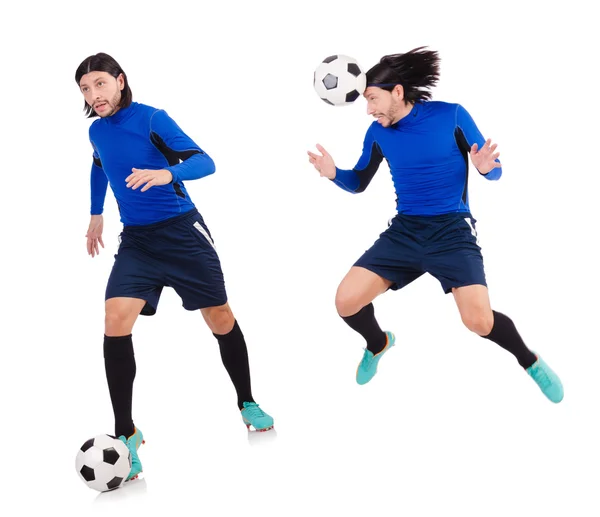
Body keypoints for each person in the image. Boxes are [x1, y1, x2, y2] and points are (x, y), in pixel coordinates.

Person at [307, 47, 563, 403]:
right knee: (346, 302)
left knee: (479, 322)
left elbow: (496, 171)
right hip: (405, 231)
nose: (369, 110)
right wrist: (334, 173)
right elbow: (358, 181)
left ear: (397, 92)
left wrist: (486, 167)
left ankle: (529, 361)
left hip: (452, 231)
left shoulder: (452, 115)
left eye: (373, 99)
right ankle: (378, 343)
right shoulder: (377, 133)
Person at [76, 53, 274, 481]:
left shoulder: (151, 119)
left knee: (219, 317)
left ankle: (247, 401)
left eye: (100, 84)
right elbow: (98, 164)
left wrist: (166, 174)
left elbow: (205, 161)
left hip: (183, 234)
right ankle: (126, 432)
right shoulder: (95, 130)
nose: (94, 95)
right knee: (114, 318)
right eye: (86, 90)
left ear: (120, 81)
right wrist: (96, 212)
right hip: (138, 242)